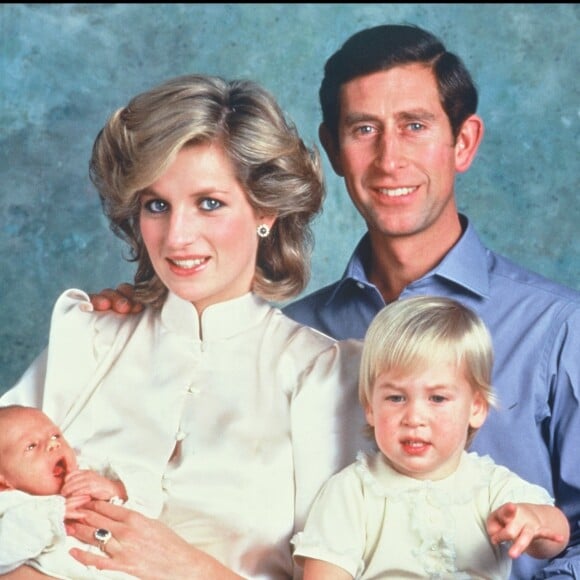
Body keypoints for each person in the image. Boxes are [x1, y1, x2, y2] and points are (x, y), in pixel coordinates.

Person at [90, 24, 580, 578]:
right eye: (364, 128)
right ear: (334, 149)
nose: (389, 159)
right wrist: (141, 318)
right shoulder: (298, 338)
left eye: (414, 126)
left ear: (463, 142)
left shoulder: (559, 331)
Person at [0, 74, 370, 579]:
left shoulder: (325, 376)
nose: (177, 237)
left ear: (265, 209)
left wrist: (184, 567)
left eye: (209, 203)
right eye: (157, 205)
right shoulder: (88, 336)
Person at [291, 296, 570, 579]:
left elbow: (556, 533)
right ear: (370, 409)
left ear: (476, 408)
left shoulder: (490, 486)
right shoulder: (353, 492)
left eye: (437, 398)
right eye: (396, 397)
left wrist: (534, 522)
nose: (414, 418)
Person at [0, 404, 158, 579]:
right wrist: (53, 515)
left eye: (55, 435)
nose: (54, 444)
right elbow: (5, 551)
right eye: (31, 446)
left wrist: (117, 488)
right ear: (3, 482)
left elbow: (155, 499)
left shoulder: (91, 471)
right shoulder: (11, 504)